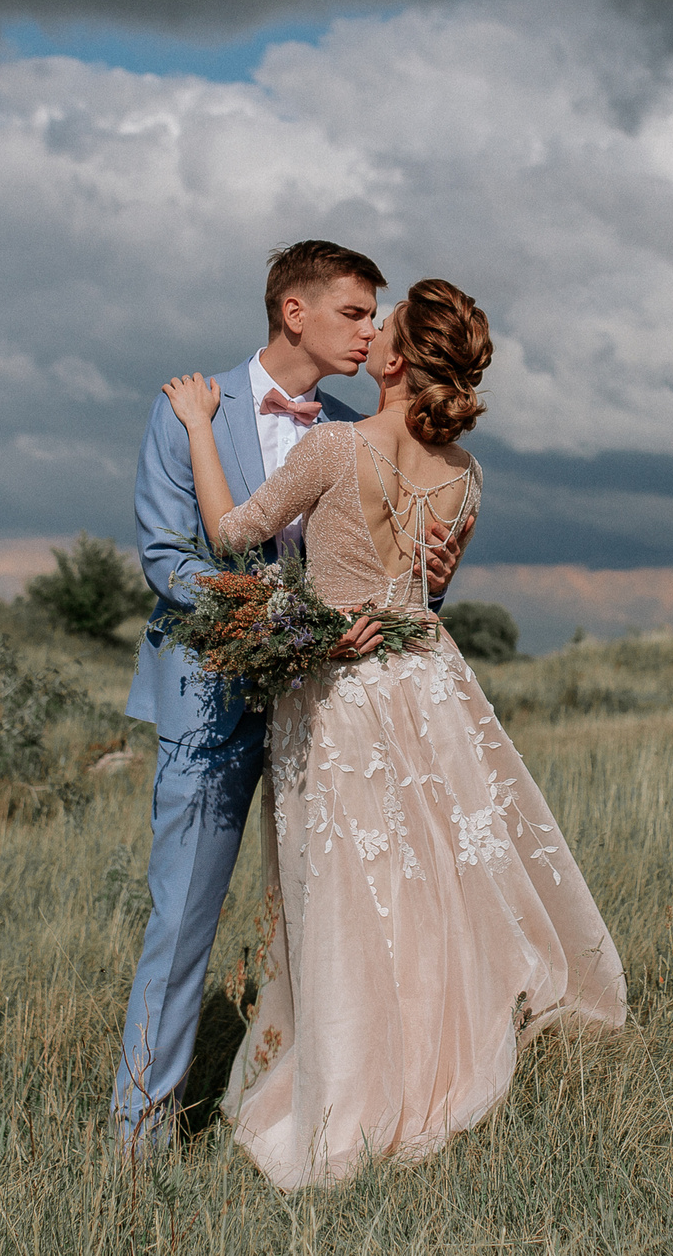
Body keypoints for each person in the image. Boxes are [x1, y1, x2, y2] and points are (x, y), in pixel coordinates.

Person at [157, 278, 627, 1189]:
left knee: (347, 894)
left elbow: (228, 535)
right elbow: (426, 591)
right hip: (433, 685)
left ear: (400, 360)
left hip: (344, 698)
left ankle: (362, 1084)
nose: (369, 336)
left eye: (385, 327)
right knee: (429, 884)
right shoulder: (467, 477)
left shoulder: (337, 445)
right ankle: (433, 1046)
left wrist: (197, 425)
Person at [111, 241, 471, 1156]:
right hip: (214, 705)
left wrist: (435, 575)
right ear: (295, 311)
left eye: (376, 318)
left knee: (337, 925)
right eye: (355, 312)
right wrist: (287, 628)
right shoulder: (192, 407)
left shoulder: (356, 428)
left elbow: (383, 585)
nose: (370, 333)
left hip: (337, 717)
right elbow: (167, 557)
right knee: (184, 926)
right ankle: (134, 1145)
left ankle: (335, 1118)